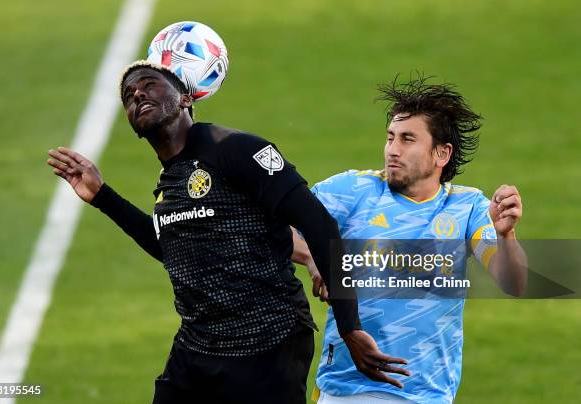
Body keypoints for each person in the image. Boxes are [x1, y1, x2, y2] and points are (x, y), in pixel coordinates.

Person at [46, 60, 411, 404]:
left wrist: (350, 327)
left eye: (149, 85)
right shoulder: (170, 183)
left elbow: (320, 225)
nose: (137, 95)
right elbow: (169, 249)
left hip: (267, 345)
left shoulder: (236, 149)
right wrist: (101, 197)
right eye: (129, 95)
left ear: (187, 98)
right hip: (198, 348)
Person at [293, 76, 528, 403]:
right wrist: (315, 259)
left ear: (441, 153)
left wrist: (506, 235)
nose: (392, 150)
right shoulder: (349, 191)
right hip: (346, 388)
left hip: (426, 393)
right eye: (390, 137)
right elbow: (273, 226)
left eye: (407, 139)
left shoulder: (467, 207)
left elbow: (513, 283)